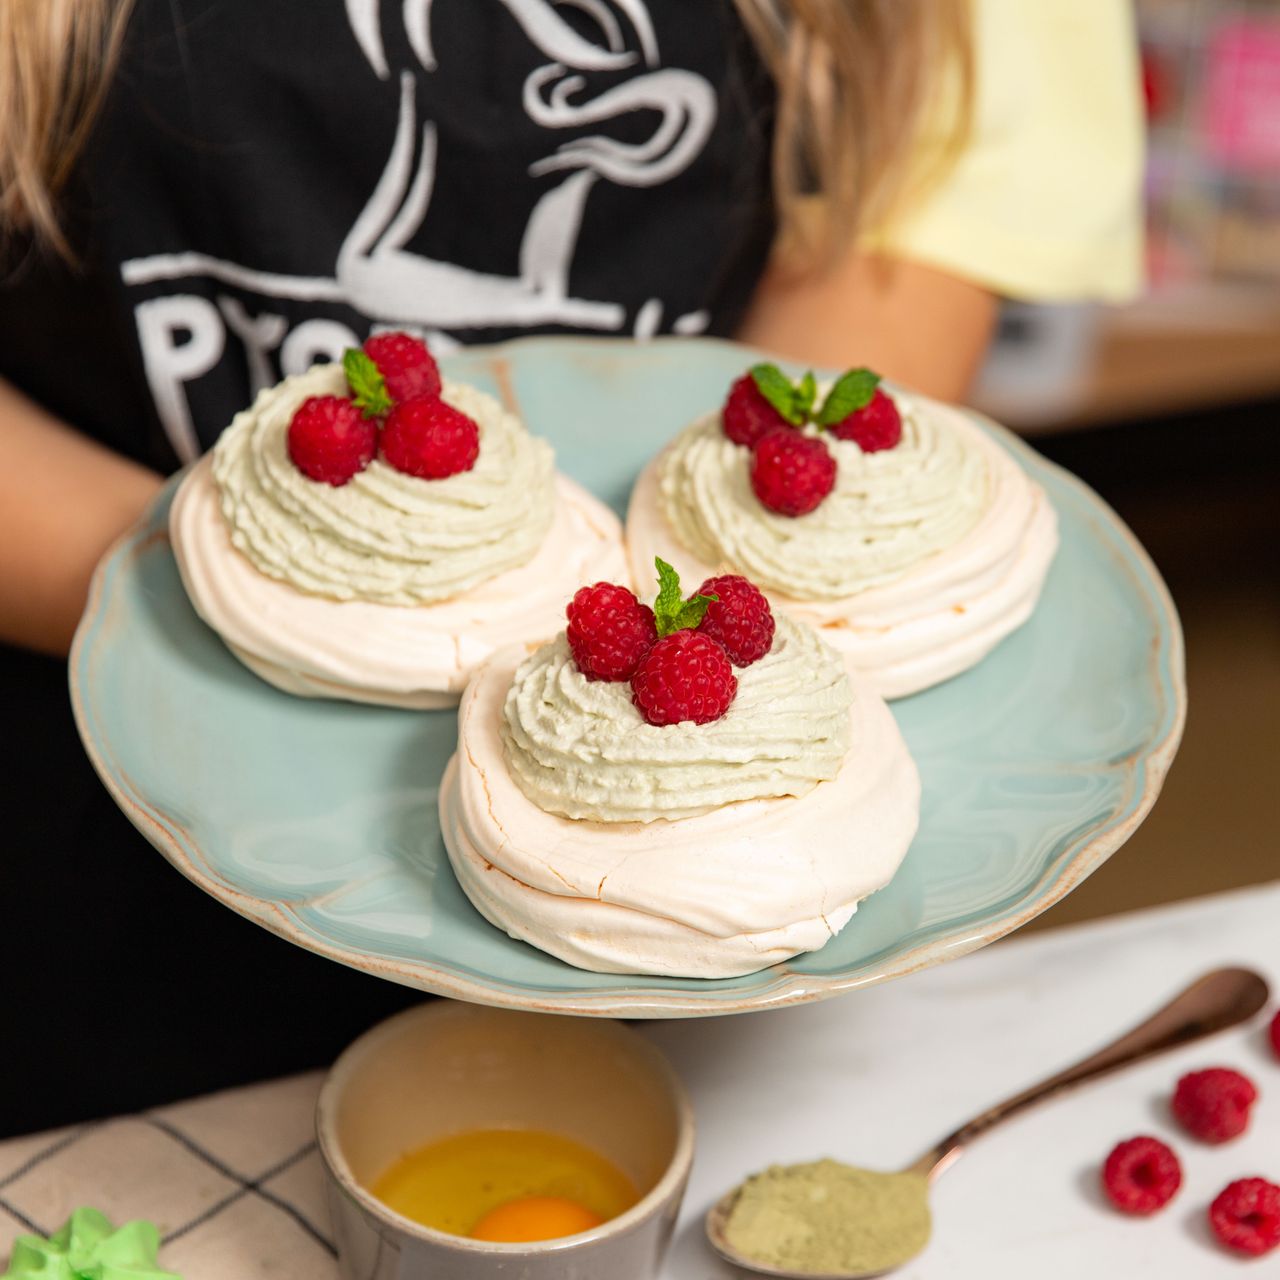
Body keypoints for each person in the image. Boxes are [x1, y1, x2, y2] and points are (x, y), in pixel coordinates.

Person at [0, 0, 1143, 1134]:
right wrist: (222, 594)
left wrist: (714, 703)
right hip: (114, 824)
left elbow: (912, 215)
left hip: (724, 920)